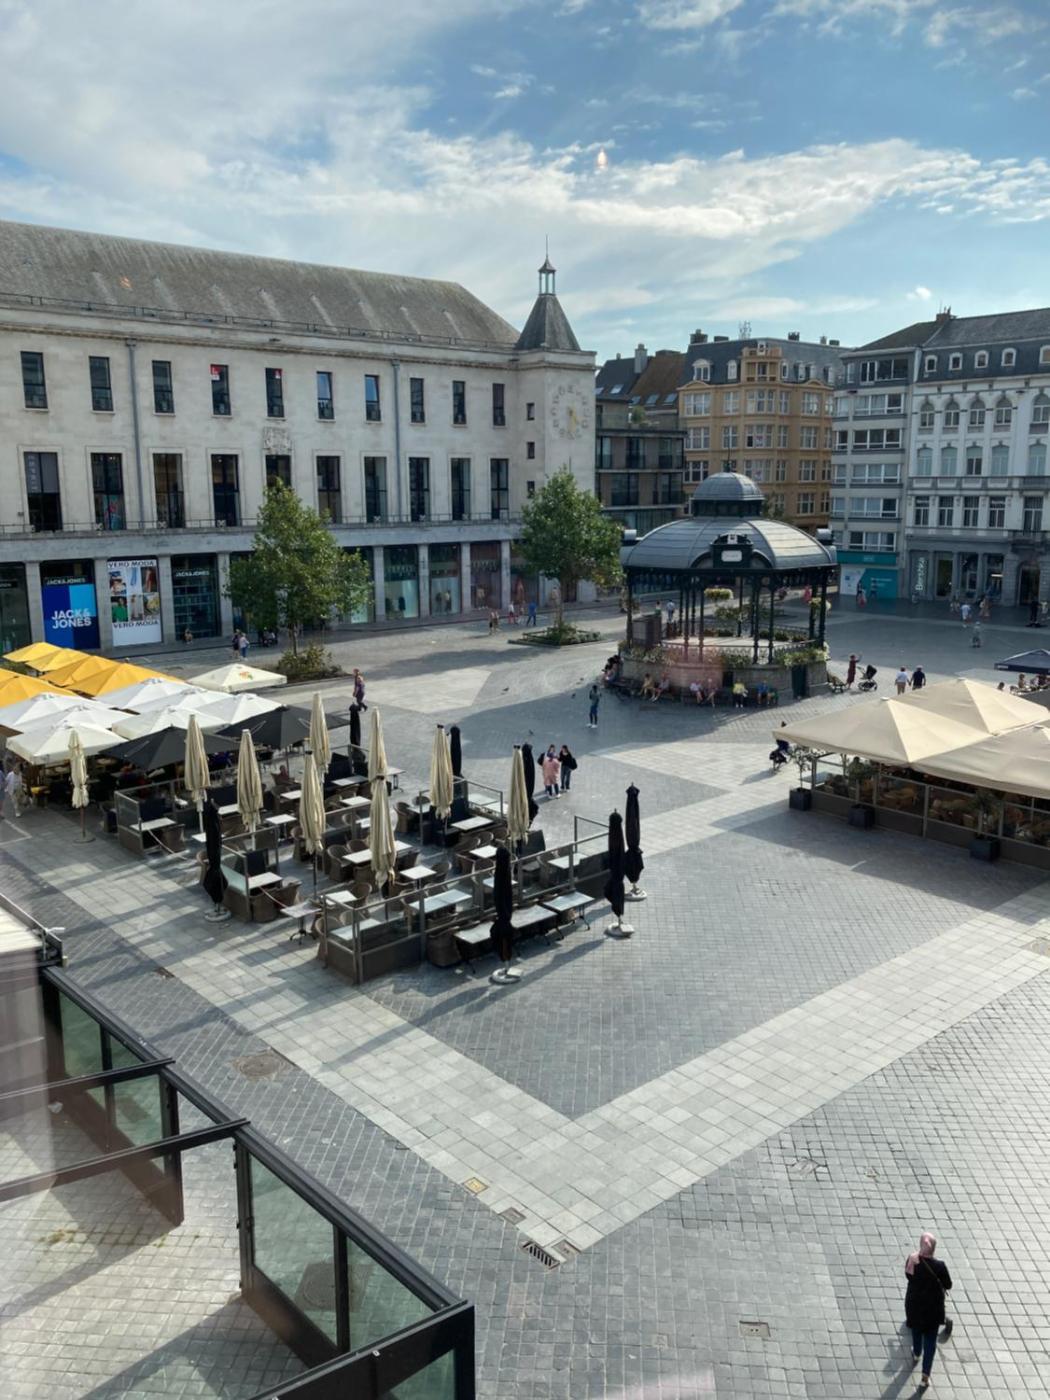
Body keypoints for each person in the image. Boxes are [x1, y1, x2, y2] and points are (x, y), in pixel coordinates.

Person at [904, 1232, 952, 1391]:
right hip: (933, 1310)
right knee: (930, 1342)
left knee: (916, 1331)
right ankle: (925, 1377)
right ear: (934, 1249)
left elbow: (908, 1276)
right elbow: (948, 1284)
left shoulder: (912, 1260)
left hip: (915, 1306)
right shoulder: (940, 1266)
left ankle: (916, 1353)